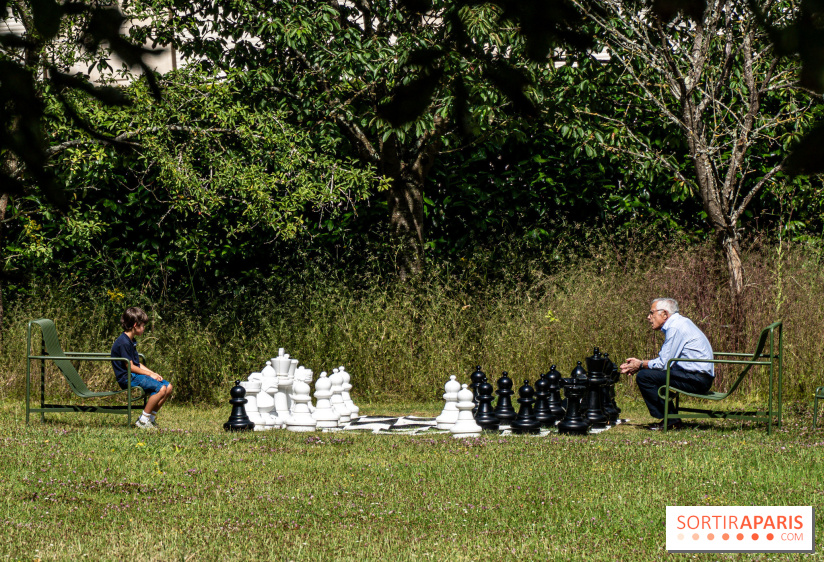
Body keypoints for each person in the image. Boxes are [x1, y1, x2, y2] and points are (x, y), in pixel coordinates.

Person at [620, 298, 714, 430]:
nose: (648, 317)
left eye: (651, 313)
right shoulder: (680, 323)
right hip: (697, 376)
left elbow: (664, 363)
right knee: (650, 374)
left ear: (664, 314)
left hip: (697, 379)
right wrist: (641, 365)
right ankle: (671, 418)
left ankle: (670, 420)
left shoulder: (675, 327)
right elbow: (666, 363)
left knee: (645, 376)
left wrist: (640, 364)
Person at [111, 307, 172, 429]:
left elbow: (137, 364)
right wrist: (149, 375)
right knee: (160, 388)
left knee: (168, 387)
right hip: (127, 377)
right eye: (143, 325)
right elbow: (130, 367)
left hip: (134, 375)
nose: (144, 329)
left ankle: (151, 419)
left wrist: (152, 372)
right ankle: (143, 420)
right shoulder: (123, 342)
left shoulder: (130, 340)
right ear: (135, 325)